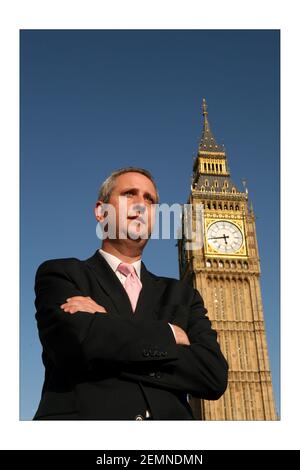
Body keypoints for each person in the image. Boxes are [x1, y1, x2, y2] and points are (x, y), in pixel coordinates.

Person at [34, 167, 228, 420]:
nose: (141, 204)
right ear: (101, 211)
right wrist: (169, 334)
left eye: (150, 200)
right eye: (129, 194)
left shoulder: (183, 295)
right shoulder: (61, 273)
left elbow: (212, 375)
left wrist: (107, 327)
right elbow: (74, 343)